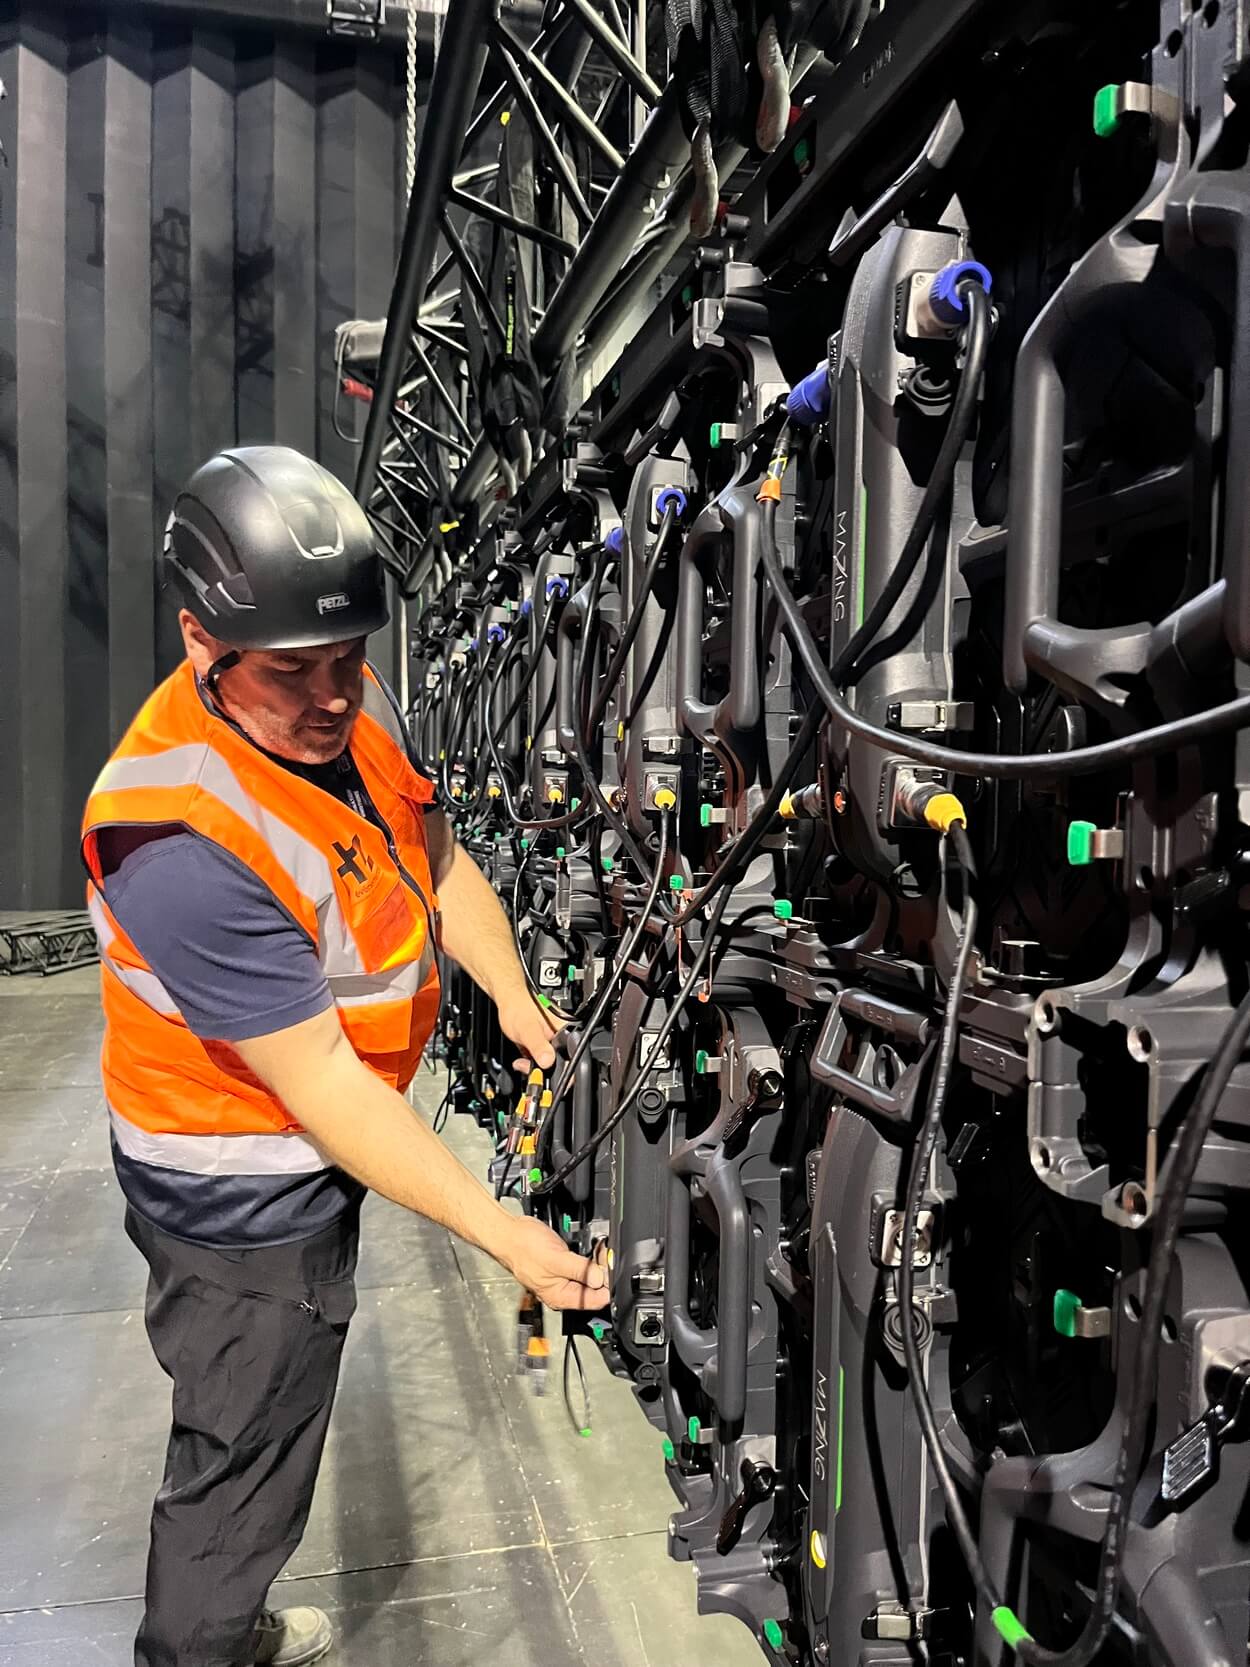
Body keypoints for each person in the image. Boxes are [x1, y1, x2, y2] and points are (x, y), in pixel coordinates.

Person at [81, 446, 607, 1667]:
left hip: (308, 1146)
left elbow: (434, 857)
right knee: (244, 1450)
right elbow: (314, 1082)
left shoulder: (349, 710)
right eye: (293, 673)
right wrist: (502, 1232)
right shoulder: (175, 833)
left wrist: (515, 997)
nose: (332, 698)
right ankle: (206, 1640)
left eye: (348, 661)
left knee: (262, 1429)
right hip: (236, 1190)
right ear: (200, 640)